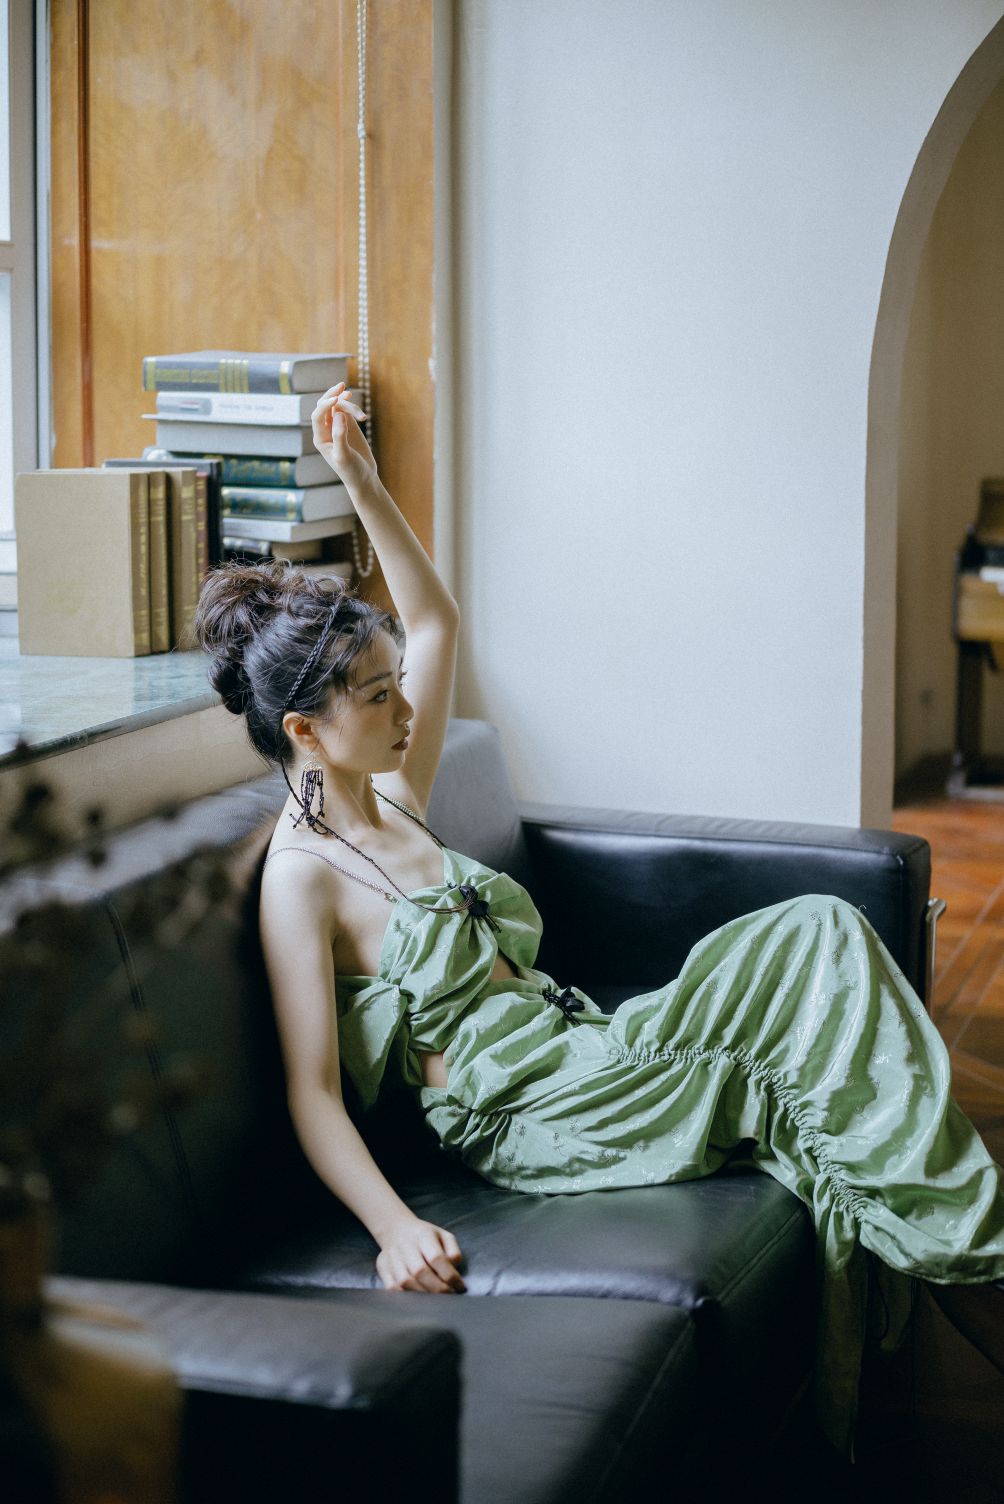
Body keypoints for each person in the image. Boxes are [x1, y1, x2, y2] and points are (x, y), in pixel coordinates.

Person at [193, 382, 1004, 1462]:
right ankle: (981, 1265)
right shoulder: (299, 882)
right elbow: (312, 1092)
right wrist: (393, 1227)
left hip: (589, 1045)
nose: (408, 709)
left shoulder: (393, 798)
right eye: (378, 697)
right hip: (533, 1115)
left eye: (396, 686)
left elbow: (433, 620)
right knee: (822, 1038)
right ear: (304, 728)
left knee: (820, 931)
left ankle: (968, 1250)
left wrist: (359, 478)